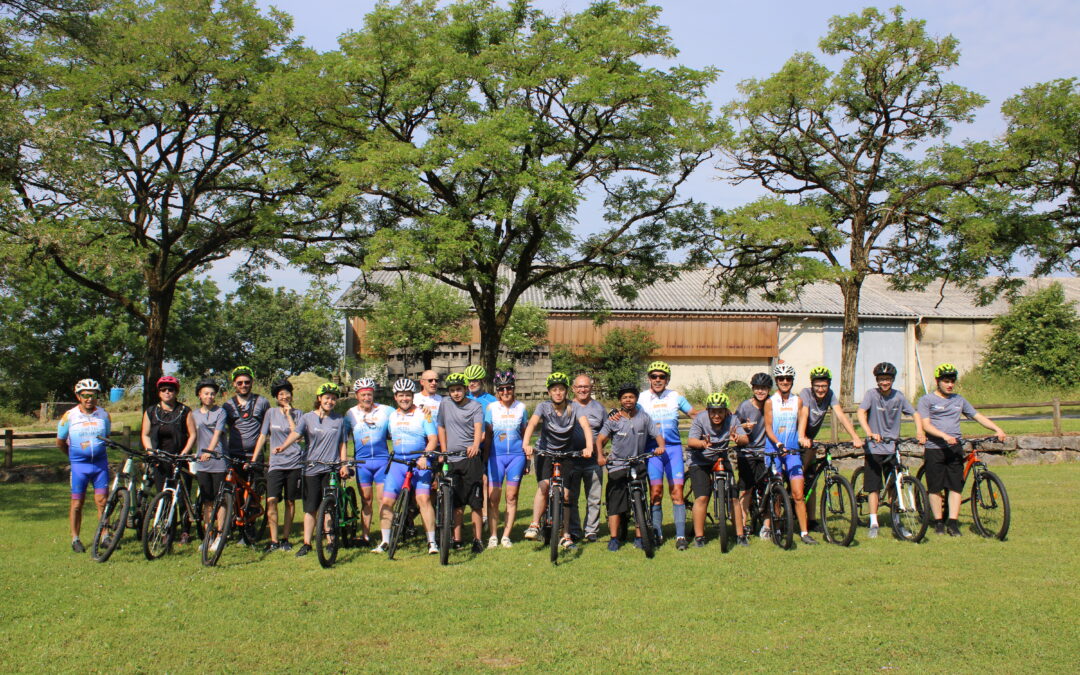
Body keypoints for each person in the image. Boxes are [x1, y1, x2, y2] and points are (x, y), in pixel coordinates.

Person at [917, 363, 1006, 536]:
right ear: (938, 381)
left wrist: (997, 429)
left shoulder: (959, 400)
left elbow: (977, 416)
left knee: (955, 486)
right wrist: (943, 436)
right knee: (935, 488)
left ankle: (953, 523)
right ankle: (938, 523)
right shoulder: (927, 400)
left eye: (952, 381)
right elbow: (925, 425)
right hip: (935, 448)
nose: (949, 384)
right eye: (946, 381)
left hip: (955, 448)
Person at [273, 382, 348, 557]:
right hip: (311, 467)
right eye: (327, 398)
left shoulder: (339, 420)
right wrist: (283, 446)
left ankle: (330, 541)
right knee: (310, 507)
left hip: (331, 468)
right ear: (319, 399)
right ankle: (307, 543)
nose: (330, 401)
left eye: (333, 399)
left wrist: (343, 464)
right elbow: (296, 434)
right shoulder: (307, 418)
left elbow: (342, 444)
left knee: (329, 506)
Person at [522, 372, 593, 549]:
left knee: (567, 494)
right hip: (545, 452)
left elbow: (585, 426)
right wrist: (526, 445)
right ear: (549, 392)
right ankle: (535, 524)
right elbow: (532, 424)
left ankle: (566, 534)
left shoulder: (574, 407)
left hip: (566, 454)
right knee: (544, 486)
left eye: (561, 389)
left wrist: (589, 447)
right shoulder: (543, 407)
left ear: (566, 391)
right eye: (554, 390)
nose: (558, 393)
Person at [856, 363, 925, 538]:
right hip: (874, 447)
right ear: (877, 380)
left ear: (892, 380)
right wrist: (870, 433)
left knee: (896, 485)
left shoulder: (899, 397)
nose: (884, 382)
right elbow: (861, 412)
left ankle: (898, 521)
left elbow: (915, 414)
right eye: (881, 379)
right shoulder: (872, 395)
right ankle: (873, 522)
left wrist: (919, 431)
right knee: (873, 487)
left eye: (887, 379)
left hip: (892, 446)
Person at [595, 383, 663, 552]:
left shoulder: (644, 417)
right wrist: (600, 456)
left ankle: (640, 537)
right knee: (615, 503)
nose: (628, 400)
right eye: (625, 397)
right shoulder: (614, 420)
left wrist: (661, 447)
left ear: (636, 399)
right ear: (620, 400)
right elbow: (600, 440)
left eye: (631, 397)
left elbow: (658, 435)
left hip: (638, 463)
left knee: (640, 501)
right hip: (617, 465)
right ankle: (613, 538)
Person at [375, 378, 440, 554]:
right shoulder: (391, 415)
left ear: (413, 396)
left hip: (419, 462)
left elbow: (433, 438)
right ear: (395, 397)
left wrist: (426, 456)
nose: (404, 398)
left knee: (423, 500)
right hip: (398, 464)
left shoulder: (423, 414)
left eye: (408, 395)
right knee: (386, 502)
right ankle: (385, 541)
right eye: (401, 395)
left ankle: (432, 542)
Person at [796, 366, 864, 531]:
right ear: (812, 385)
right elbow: (803, 414)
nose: (820, 389)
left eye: (824, 386)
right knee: (799, 477)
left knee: (812, 480)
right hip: (798, 438)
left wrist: (855, 436)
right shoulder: (806, 394)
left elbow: (840, 415)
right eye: (817, 386)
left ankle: (812, 520)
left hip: (810, 441)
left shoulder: (830, 395)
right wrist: (802, 436)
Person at [637, 360, 695, 550]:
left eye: (662, 377)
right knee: (656, 493)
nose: (658, 379)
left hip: (673, 449)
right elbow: (629, 416)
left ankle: (680, 536)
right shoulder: (641, 398)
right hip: (652, 450)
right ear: (649, 379)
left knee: (677, 493)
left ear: (667, 379)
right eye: (654, 376)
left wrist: (720, 416)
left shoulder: (676, 396)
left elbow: (694, 414)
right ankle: (657, 533)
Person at [763, 363, 816, 545]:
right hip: (774, 451)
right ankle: (776, 527)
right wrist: (778, 443)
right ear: (777, 381)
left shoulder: (798, 401)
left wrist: (802, 438)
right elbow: (768, 427)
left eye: (788, 379)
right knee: (776, 492)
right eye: (781, 379)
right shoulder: (770, 402)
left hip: (792, 451)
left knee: (798, 494)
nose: (785, 382)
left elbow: (801, 424)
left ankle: (804, 532)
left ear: (792, 381)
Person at [57, 379, 111, 553]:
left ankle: (105, 535)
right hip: (79, 466)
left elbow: (107, 436)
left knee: (102, 502)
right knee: (77, 503)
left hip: (100, 465)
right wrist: (73, 457)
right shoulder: (69, 416)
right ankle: (75, 538)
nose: (89, 399)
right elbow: (60, 441)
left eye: (93, 395)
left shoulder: (104, 415)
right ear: (78, 396)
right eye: (85, 395)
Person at [140, 374, 197, 543]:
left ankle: (185, 531)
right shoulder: (151, 411)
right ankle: (165, 529)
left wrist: (184, 453)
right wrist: (151, 452)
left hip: (179, 458)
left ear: (176, 392)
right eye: (163, 390)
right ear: (159, 393)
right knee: (162, 495)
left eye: (170, 390)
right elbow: (145, 434)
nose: (167, 392)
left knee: (182, 497)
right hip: (160, 459)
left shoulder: (184, 411)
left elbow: (192, 434)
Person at [438, 372, 486, 553]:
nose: (456, 393)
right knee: (456, 501)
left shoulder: (475, 406)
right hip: (451, 458)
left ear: (465, 389)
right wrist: (443, 450)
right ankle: (456, 539)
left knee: (475, 501)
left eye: (459, 389)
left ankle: (477, 539)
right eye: (452, 390)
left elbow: (478, 427)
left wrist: (475, 445)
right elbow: (441, 426)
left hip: (470, 459)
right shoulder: (445, 404)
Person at [253, 379, 303, 552]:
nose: (284, 396)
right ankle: (273, 540)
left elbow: (297, 435)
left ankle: (285, 538)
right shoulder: (270, 413)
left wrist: (289, 415)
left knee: (290, 501)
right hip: (275, 464)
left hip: (294, 462)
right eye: (280, 394)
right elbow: (262, 436)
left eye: (287, 393)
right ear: (276, 397)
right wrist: (254, 458)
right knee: (271, 500)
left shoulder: (299, 414)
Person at [686, 392, 741, 547]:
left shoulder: (732, 420)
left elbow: (744, 438)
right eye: (713, 411)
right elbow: (691, 440)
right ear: (708, 410)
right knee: (702, 497)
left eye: (720, 411)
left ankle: (740, 534)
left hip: (720, 457)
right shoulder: (700, 419)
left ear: (726, 411)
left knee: (733, 497)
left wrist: (738, 438)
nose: (717, 415)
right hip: (699, 459)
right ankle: (699, 537)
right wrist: (702, 444)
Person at [342, 377, 392, 547]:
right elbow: (343, 438)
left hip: (381, 462)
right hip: (362, 464)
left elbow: (403, 414)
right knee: (366, 501)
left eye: (369, 394)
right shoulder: (350, 414)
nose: (366, 398)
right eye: (363, 395)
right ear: (357, 395)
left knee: (383, 500)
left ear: (373, 394)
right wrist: (344, 461)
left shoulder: (385, 410)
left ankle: (386, 537)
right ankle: (365, 536)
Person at [484, 371, 528, 548]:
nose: (505, 392)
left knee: (512, 496)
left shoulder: (521, 408)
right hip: (496, 457)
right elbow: (487, 436)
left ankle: (506, 536)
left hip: (516, 457)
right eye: (501, 389)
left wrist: (528, 459)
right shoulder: (491, 408)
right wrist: (484, 460)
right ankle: (493, 535)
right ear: (497, 391)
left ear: (513, 389)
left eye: (509, 388)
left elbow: (525, 434)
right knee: (493, 497)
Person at [732, 372, 772, 547]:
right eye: (757, 388)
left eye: (763, 388)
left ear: (769, 389)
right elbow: (732, 426)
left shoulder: (773, 404)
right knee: (745, 490)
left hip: (766, 452)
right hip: (747, 452)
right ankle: (743, 526)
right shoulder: (745, 407)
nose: (760, 391)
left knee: (769, 490)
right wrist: (742, 427)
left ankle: (768, 526)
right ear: (753, 388)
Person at [567, 374, 606, 543]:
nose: (583, 390)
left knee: (594, 498)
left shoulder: (599, 408)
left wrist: (599, 450)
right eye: (579, 387)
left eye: (586, 387)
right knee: (572, 497)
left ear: (591, 388)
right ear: (573, 389)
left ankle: (591, 530)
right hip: (572, 460)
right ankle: (574, 530)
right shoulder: (566, 406)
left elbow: (606, 431)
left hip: (593, 461)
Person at [192, 379, 228, 549]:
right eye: (206, 393)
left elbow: (217, 434)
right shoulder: (194, 414)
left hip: (218, 460)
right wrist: (194, 452)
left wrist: (209, 451)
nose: (209, 396)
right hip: (202, 463)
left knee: (219, 500)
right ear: (199, 395)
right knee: (207, 500)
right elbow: (192, 435)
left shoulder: (220, 412)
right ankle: (209, 534)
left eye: (212, 393)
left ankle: (221, 534)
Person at [221, 365, 270, 473]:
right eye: (240, 383)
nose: (243, 385)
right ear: (234, 384)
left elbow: (269, 429)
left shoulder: (262, 402)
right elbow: (223, 430)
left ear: (252, 382)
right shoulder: (227, 405)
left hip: (256, 455)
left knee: (257, 488)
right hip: (235, 454)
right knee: (235, 488)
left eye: (247, 382)